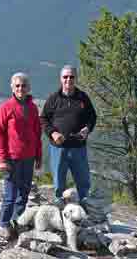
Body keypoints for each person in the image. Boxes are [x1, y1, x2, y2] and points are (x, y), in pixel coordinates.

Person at [40, 65, 96, 208]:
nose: (68, 80)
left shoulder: (83, 98)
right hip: (59, 148)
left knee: (83, 182)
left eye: (71, 77)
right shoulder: (53, 99)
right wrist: (53, 133)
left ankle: (85, 207)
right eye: (65, 77)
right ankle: (60, 208)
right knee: (59, 183)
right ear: (61, 79)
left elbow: (92, 117)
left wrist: (87, 129)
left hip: (78, 147)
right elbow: (43, 119)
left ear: (76, 78)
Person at [0, 72, 42, 240]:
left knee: (24, 193)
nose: (20, 88)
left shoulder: (33, 108)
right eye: (17, 86)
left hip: (28, 157)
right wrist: (2, 159)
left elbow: (37, 133)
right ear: (12, 88)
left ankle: (17, 222)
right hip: (12, 159)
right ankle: (4, 225)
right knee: (10, 195)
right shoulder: (5, 108)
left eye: (23, 85)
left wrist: (38, 156)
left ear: (28, 88)